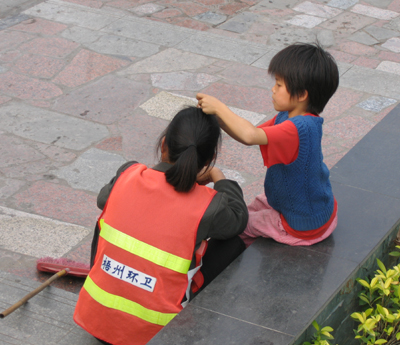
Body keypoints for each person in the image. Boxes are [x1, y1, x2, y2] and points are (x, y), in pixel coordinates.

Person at [73, 106, 248, 345]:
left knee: (108, 212)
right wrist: (218, 177)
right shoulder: (208, 205)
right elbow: (239, 218)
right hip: (157, 334)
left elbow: (102, 199)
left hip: (97, 320)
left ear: (164, 145)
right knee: (232, 243)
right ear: (206, 161)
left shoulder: (128, 174)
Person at [196, 43, 339, 247]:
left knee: (238, 224)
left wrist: (220, 108)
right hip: (316, 207)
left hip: (303, 224)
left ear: (301, 94)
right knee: (251, 207)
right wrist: (218, 120)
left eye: (279, 85)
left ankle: (226, 265)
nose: (273, 89)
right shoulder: (290, 117)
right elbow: (250, 135)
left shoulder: (300, 128)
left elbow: (250, 135)